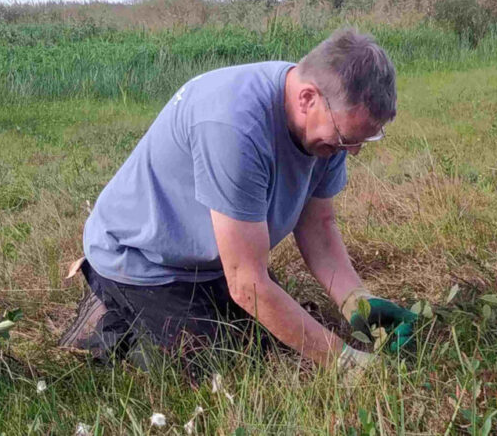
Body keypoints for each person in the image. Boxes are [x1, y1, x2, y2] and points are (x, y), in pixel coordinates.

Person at [60, 28, 417, 379]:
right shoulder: (234, 125)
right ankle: (112, 319)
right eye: (346, 138)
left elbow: (318, 228)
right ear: (307, 99)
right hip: (142, 260)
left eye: (362, 140)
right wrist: (345, 365)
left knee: (271, 341)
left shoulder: (329, 122)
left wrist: (358, 302)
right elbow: (247, 284)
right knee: (223, 366)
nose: (351, 151)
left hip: (211, 257)